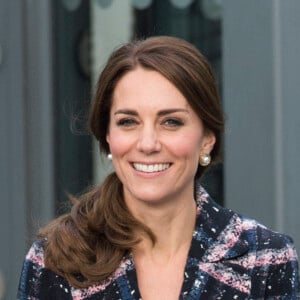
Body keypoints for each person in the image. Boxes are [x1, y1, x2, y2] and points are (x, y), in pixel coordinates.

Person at [18, 36, 299, 299]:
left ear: (207, 140)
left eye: (171, 122)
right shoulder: (54, 260)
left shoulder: (265, 256)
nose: (148, 143)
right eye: (128, 122)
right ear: (108, 136)